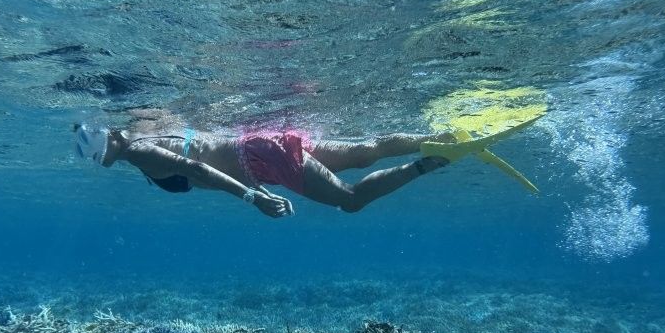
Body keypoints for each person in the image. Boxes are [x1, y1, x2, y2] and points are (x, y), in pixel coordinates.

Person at [74, 109, 480, 218]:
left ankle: (431, 162)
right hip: (264, 147)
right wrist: (257, 186)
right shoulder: (145, 133)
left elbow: (198, 171)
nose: (97, 162)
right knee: (365, 150)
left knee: (351, 200)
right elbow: (207, 162)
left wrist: (254, 197)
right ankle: (446, 135)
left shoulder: (138, 151)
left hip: (264, 159)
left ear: (105, 145)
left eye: (93, 154)